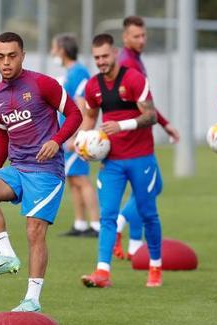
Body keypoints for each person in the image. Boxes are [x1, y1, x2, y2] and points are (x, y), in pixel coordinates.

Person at [0, 32, 82, 312]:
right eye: (0, 57)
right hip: (17, 168)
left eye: (12, 56)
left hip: (47, 171)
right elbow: (3, 137)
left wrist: (56, 141)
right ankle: (6, 255)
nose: (6, 62)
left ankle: (32, 298)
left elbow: (75, 114)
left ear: (22, 55)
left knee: (34, 231)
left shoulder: (42, 84)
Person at [79, 33, 163, 288]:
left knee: (148, 214)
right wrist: (80, 139)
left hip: (141, 159)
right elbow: (91, 118)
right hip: (112, 161)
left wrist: (122, 125)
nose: (101, 61)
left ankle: (156, 267)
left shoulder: (135, 79)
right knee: (108, 216)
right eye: (96, 58)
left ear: (115, 53)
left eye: (105, 56)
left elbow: (151, 116)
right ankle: (102, 273)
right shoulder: (93, 86)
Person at [113, 15, 180, 260]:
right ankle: (120, 224)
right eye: (136, 36)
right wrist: (165, 124)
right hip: (134, 141)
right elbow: (143, 108)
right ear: (125, 37)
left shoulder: (134, 60)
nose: (142, 40)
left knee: (144, 191)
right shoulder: (128, 63)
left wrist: (164, 124)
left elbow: (145, 104)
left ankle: (133, 245)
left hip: (138, 137)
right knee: (152, 188)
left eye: (144, 35)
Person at [50, 33, 100, 238]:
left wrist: (76, 136)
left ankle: (96, 225)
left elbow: (82, 105)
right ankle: (80, 224)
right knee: (73, 179)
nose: (52, 51)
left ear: (62, 49)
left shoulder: (79, 71)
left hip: (73, 136)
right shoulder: (70, 72)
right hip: (66, 135)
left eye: (54, 47)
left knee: (81, 178)